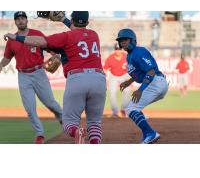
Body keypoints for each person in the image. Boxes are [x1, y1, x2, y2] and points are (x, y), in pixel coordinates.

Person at [4, 11, 107, 144]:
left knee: (69, 124)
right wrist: (63, 19)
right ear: (87, 22)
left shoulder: (66, 36)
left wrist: (16, 37)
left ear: (72, 19)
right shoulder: (94, 35)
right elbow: (78, 30)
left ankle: (77, 132)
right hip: (99, 79)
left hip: (77, 78)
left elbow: (40, 41)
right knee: (94, 123)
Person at [0, 11, 63, 144]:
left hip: (38, 73)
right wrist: (1, 65)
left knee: (50, 103)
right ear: (15, 22)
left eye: (23, 18)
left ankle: (65, 121)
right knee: (29, 108)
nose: (21, 21)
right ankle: (40, 134)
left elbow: (49, 46)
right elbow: (7, 58)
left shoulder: (37, 34)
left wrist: (56, 54)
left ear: (27, 20)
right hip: (23, 76)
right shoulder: (12, 40)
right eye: (18, 19)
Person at [117, 28, 168, 144]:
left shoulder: (139, 52)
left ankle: (151, 133)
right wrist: (129, 82)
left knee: (130, 108)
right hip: (157, 83)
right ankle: (147, 135)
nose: (123, 42)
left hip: (156, 82)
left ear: (133, 40)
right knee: (134, 108)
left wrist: (140, 90)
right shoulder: (129, 56)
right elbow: (140, 73)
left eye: (126, 39)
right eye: (121, 40)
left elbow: (150, 72)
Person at [104, 43, 131, 117]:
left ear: (122, 50)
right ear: (114, 50)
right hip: (114, 76)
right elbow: (105, 69)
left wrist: (130, 76)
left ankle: (124, 110)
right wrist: (105, 79)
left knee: (127, 91)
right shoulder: (110, 58)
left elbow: (133, 65)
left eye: (119, 49)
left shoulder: (126, 56)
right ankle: (115, 112)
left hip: (125, 75)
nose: (118, 51)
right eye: (116, 49)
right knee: (112, 92)